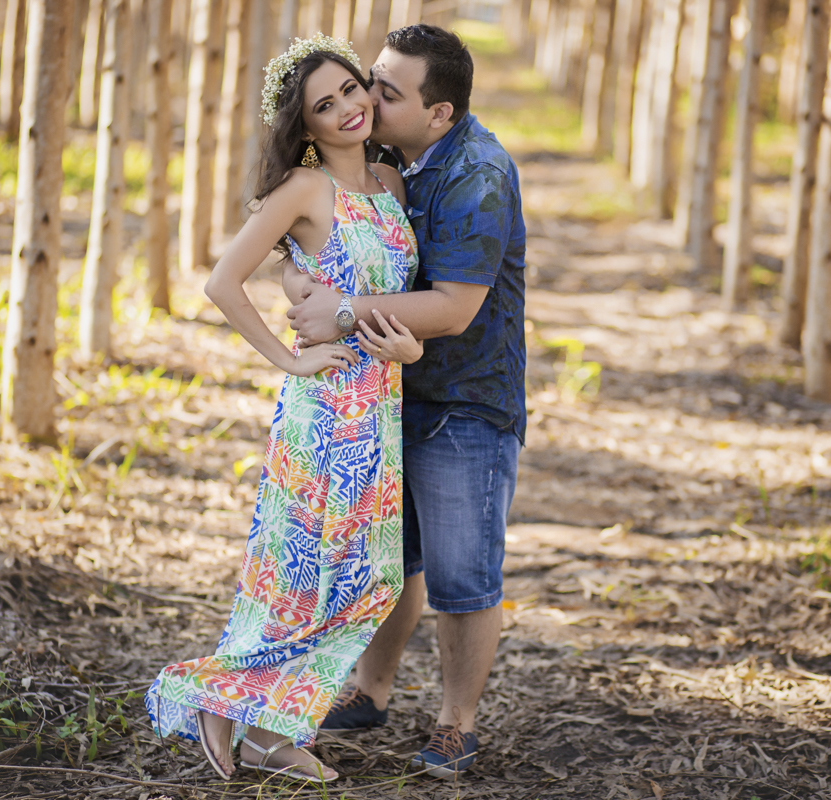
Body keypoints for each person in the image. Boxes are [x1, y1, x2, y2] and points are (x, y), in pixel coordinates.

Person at [144, 34, 424, 784]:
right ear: (306, 127)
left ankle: (266, 724)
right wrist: (290, 358)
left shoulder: (391, 184)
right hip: (326, 413)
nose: (347, 109)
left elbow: (379, 297)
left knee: (370, 577)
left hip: (381, 407)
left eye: (351, 90)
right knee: (311, 576)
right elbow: (222, 282)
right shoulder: (304, 189)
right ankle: (226, 697)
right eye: (325, 106)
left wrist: (405, 348)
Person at [285, 24, 527, 778]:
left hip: (464, 405)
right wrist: (301, 279)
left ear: (439, 113)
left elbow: (452, 307)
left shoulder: (478, 175)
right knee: (394, 559)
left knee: (463, 577)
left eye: (387, 91)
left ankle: (456, 725)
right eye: (369, 79)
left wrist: (343, 312)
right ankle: (371, 691)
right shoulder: (386, 161)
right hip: (388, 395)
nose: (366, 98)